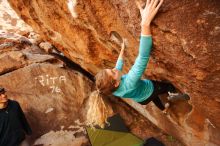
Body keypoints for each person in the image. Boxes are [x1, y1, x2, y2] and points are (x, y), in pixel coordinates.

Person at [86, 0, 189, 127]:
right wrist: (145, 24)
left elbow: (118, 68)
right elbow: (143, 56)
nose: (114, 68)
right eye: (112, 71)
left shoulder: (111, 89)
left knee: (153, 99)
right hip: (150, 88)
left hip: (142, 99)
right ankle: (172, 93)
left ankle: (163, 109)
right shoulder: (129, 81)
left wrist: (122, 50)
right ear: (116, 82)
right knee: (165, 86)